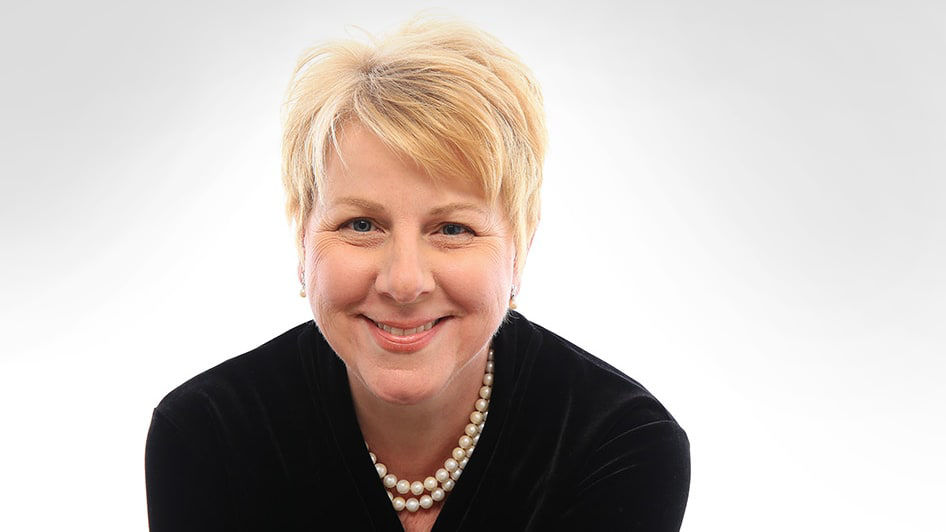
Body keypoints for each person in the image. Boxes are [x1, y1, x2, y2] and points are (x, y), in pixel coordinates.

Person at [145, 17, 690, 532]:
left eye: (452, 229)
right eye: (361, 224)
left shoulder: (620, 445)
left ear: (519, 247)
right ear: (302, 239)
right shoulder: (207, 437)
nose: (404, 283)